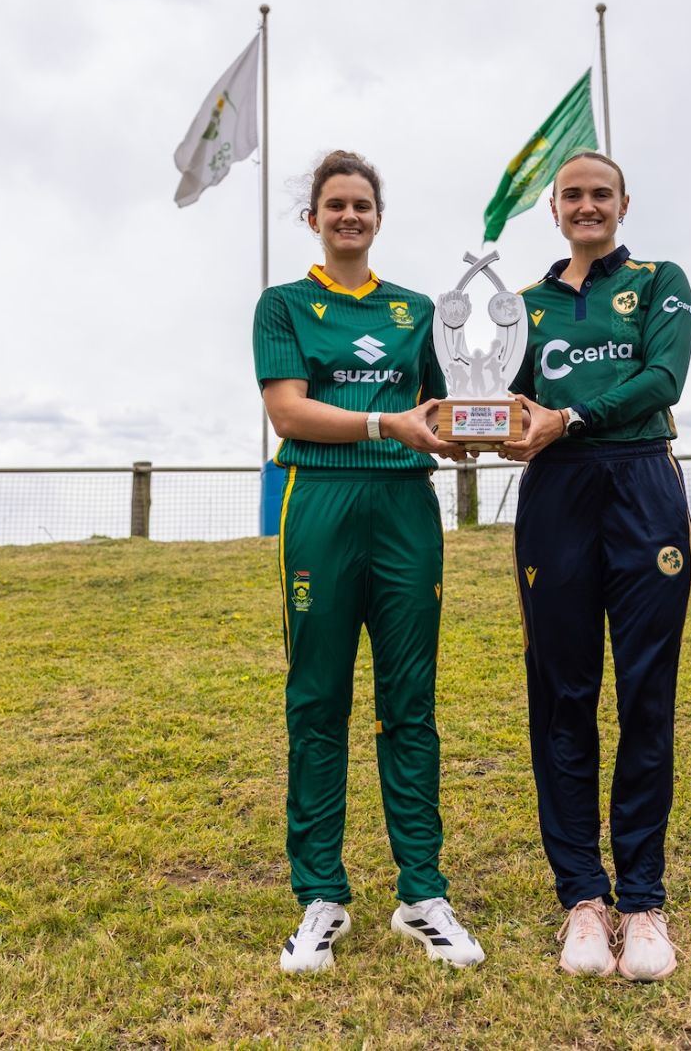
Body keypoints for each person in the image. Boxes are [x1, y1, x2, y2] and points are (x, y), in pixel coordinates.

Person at [252, 150, 485, 973]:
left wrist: (477, 432)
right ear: (313, 218)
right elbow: (289, 411)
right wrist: (387, 424)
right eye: (336, 205)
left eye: (362, 205)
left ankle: (422, 893)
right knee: (318, 699)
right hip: (319, 501)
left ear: (379, 218)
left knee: (409, 699)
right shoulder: (283, 306)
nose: (349, 216)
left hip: (404, 509)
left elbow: (441, 411)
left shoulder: (417, 310)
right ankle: (321, 896)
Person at [501, 151, 691, 982]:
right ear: (553, 209)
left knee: (646, 693)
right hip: (557, 497)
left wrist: (571, 416)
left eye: (600, 194)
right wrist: (477, 424)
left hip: (643, 484)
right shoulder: (523, 306)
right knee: (563, 695)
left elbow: (663, 378)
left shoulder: (659, 282)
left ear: (623, 204)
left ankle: (643, 901)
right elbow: (506, 402)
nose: (587, 206)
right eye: (572, 195)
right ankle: (582, 896)